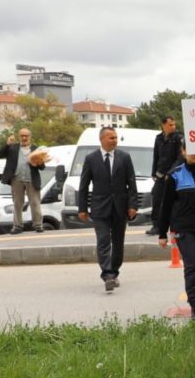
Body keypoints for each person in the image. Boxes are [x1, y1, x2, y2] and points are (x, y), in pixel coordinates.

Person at [157, 144, 195, 323]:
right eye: (190, 149)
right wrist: (162, 232)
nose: (194, 152)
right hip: (185, 229)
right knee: (193, 266)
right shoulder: (175, 175)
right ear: (183, 151)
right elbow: (166, 205)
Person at [77, 126, 139, 293]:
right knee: (103, 240)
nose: (115, 141)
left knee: (118, 243)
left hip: (120, 207)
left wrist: (133, 205)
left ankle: (114, 271)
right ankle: (107, 275)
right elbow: (83, 185)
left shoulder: (124, 157)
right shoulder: (91, 159)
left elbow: (131, 182)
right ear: (102, 139)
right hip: (99, 208)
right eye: (111, 138)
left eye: (116, 137)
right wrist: (82, 207)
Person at [0, 128, 47, 233]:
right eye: (22, 136)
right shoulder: (12, 148)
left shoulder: (36, 149)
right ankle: (17, 226)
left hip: (32, 180)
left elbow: (42, 167)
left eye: (26, 136)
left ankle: (38, 225)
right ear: (19, 137)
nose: (24, 138)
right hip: (16, 180)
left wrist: (37, 163)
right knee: (17, 203)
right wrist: (7, 144)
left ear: (30, 137)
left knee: (35, 202)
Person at [148, 115, 184, 234]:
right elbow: (156, 156)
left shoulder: (178, 138)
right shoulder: (158, 138)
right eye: (170, 125)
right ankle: (156, 226)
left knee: (173, 200)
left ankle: (175, 225)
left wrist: (171, 172)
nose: (173, 127)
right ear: (163, 125)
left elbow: (180, 158)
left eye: (174, 124)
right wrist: (154, 172)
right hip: (160, 174)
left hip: (174, 175)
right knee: (157, 199)